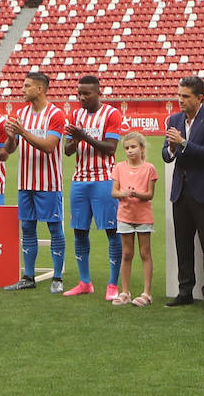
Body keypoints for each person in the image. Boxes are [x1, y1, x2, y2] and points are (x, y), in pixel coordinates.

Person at [163, 75, 204, 310]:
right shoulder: (174, 119)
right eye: (179, 95)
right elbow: (166, 155)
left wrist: (183, 143)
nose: (180, 100)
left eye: (185, 96)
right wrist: (171, 148)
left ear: (200, 98)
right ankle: (185, 291)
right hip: (181, 191)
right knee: (183, 245)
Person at [3, 72, 67, 293]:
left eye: (27, 85)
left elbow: (49, 147)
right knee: (27, 227)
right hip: (25, 182)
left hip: (49, 183)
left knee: (54, 228)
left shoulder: (56, 115)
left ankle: (57, 278)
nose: (22, 89)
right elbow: (10, 150)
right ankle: (28, 277)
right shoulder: (21, 114)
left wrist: (22, 131)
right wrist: (12, 136)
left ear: (40, 89)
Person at [64, 75, 124, 301]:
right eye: (79, 93)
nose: (82, 98)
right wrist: (75, 140)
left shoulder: (111, 114)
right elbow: (68, 150)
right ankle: (84, 282)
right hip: (79, 180)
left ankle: (112, 284)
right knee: (79, 231)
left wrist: (84, 136)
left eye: (86, 94)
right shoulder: (75, 115)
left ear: (99, 93)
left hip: (104, 179)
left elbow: (110, 148)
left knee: (112, 231)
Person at [110, 131, 156, 307]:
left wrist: (137, 194)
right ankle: (125, 292)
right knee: (127, 254)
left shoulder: (149, 168)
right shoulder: (119, 167)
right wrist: (123, 193)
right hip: (125, 216)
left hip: (143, 216)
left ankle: (147, 293)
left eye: (133, 147)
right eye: (127, 148)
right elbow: (114, 192)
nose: (130, 151)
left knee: (145, 253)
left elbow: (150, 194)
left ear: (142, 148)